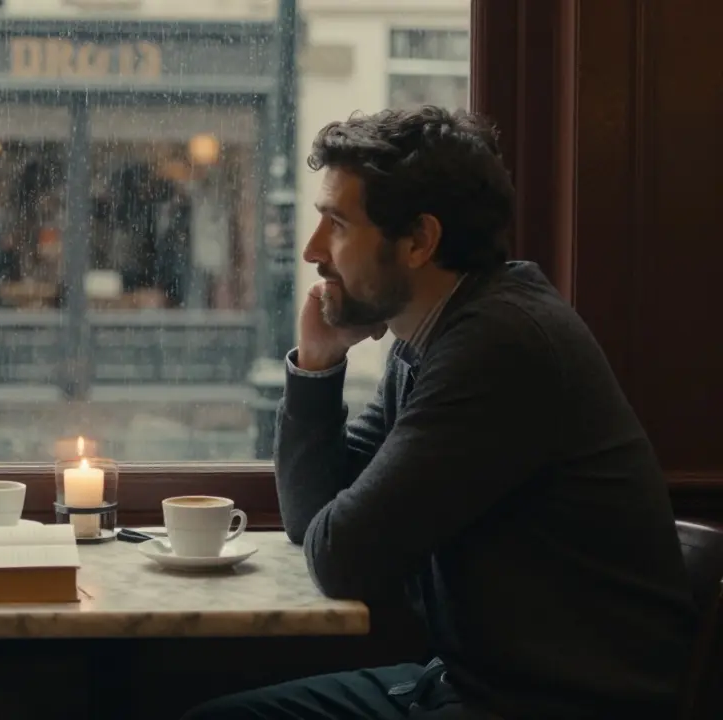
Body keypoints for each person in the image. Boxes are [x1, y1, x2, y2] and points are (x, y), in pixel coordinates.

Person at [183, 107, 697, 719]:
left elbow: (341, 556)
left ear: (420, 241)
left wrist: (335, 524)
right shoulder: (429, 339)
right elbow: (310, 519)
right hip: (469, 686)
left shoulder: (501, 345)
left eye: (338, 225)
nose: (313, 252)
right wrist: (317, 365)